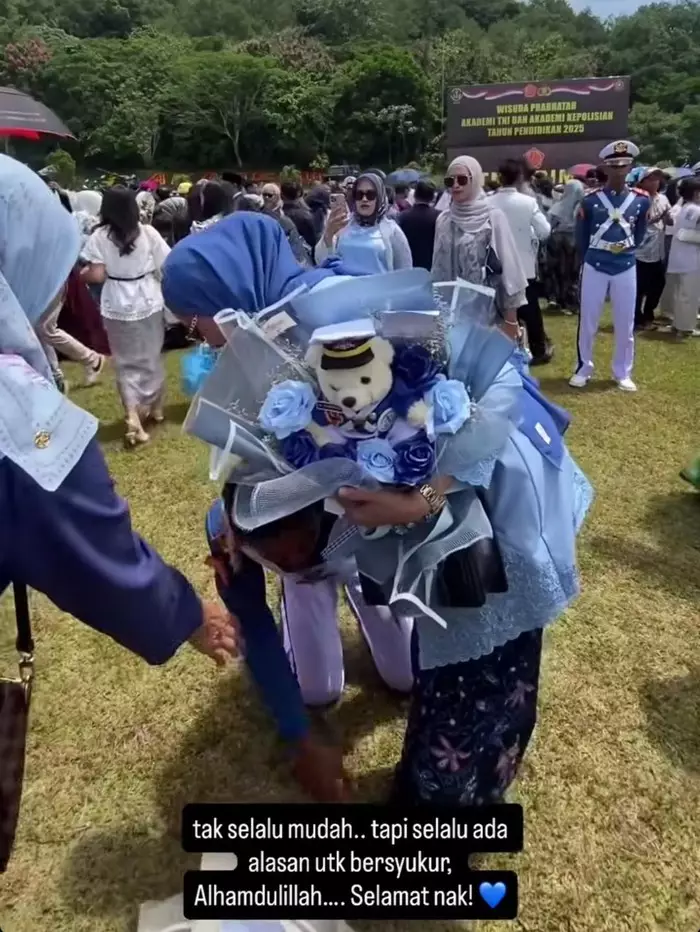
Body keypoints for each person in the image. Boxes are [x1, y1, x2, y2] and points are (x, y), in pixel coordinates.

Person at [0, 154, 237, 670]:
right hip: (143, 304)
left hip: (124, 306)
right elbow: (87, 542)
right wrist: (187, 612)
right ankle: (140, 412)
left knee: (136, 366)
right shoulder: (14, 407)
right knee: (143, 363)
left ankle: (136, 413)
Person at [82, 186, 171, 446]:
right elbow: (167, 265)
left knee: (125, 362)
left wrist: (82, 276)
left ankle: (133, 414)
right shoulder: (148, 233)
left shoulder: (99, 236)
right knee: (151, 355)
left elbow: (97, 275)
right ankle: (155, 407)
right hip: (148, 299)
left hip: (117, 303)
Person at [571, 140, 650, 392]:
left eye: (624, 165)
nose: (619, 170)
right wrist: (591, 257)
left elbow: (639, 234)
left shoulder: (641, 200)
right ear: (606, 167)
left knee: (625, 322)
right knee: (588, 320)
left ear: (630, 167)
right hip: (595, 263)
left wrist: (624, 251)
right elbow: (581, 236)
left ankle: (622, 371)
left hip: (625, 264)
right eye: (614, 165)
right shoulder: (590, 201)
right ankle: (584, 367)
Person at [431, 155, 528, 344]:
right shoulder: (443, 220)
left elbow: (511, 272)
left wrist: (511, 319)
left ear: (474, 180)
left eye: (462, 179)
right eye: (450, 181)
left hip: (487, 317)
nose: (456, 186)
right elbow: (436, 269)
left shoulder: (492, 218)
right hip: (449, 317)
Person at [491, 159, 553, 365]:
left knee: (497, 312)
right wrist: (529, 235)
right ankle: (538, 350)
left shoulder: (487, 202)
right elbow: (544, 231)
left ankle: (500, 351)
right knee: (530, 310)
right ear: (519, 177)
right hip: (523, 266)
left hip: (495, 266)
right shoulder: (527, 202)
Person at [316, 172, 413, 273]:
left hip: (380, 288)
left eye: (370, 195)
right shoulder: (344, 225)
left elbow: (405, 272)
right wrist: (328, 235)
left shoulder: (392, 231)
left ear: (379, 197)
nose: (364, 199)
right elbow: (322, 262)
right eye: (359, 194)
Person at [631, 167, 671, 330]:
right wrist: (655, 219)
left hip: (657, 248)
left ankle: (649, 313)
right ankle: (636, 318)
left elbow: (668, 220)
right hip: (639, 250)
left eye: (657, 179)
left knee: (658, 284)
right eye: (651, 179)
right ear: (642, 181)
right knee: (639, 287)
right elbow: (632, 222)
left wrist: (668, 219)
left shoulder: (662, 199)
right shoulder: (635, 198)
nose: (655, 182)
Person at [664, 176, 700, 340]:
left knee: (679, 294)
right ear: (696, 193)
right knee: (689, 295)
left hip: (678, 258)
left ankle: (677, 324)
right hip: (691, 259)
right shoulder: (696, 210)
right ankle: (685, 328)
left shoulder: (683, 208)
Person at [545, 178, 585, 315]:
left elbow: (549, 225)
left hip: (561, 242)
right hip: (567, 244)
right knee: (567, 273)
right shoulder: (579, 206)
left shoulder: (557, 207)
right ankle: (567, 302)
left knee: (565, 273)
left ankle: (564, 301)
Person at [260, 183, 311, 265]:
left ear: (277, 196)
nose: (266, 198)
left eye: (269, 195)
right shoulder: (257, 215)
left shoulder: (286, 220)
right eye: (264, 194)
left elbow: (297, 248)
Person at [397, 179, 439, 271]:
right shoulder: (439, 217)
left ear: (415, 195)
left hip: (410, 266)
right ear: (432, 197)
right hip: (432, 266)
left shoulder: (403, 216)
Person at [281, 181, 317, 254]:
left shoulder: (274, 215)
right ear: (299, 194)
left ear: (281, 195)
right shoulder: (306, 215)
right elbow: (313, 242)